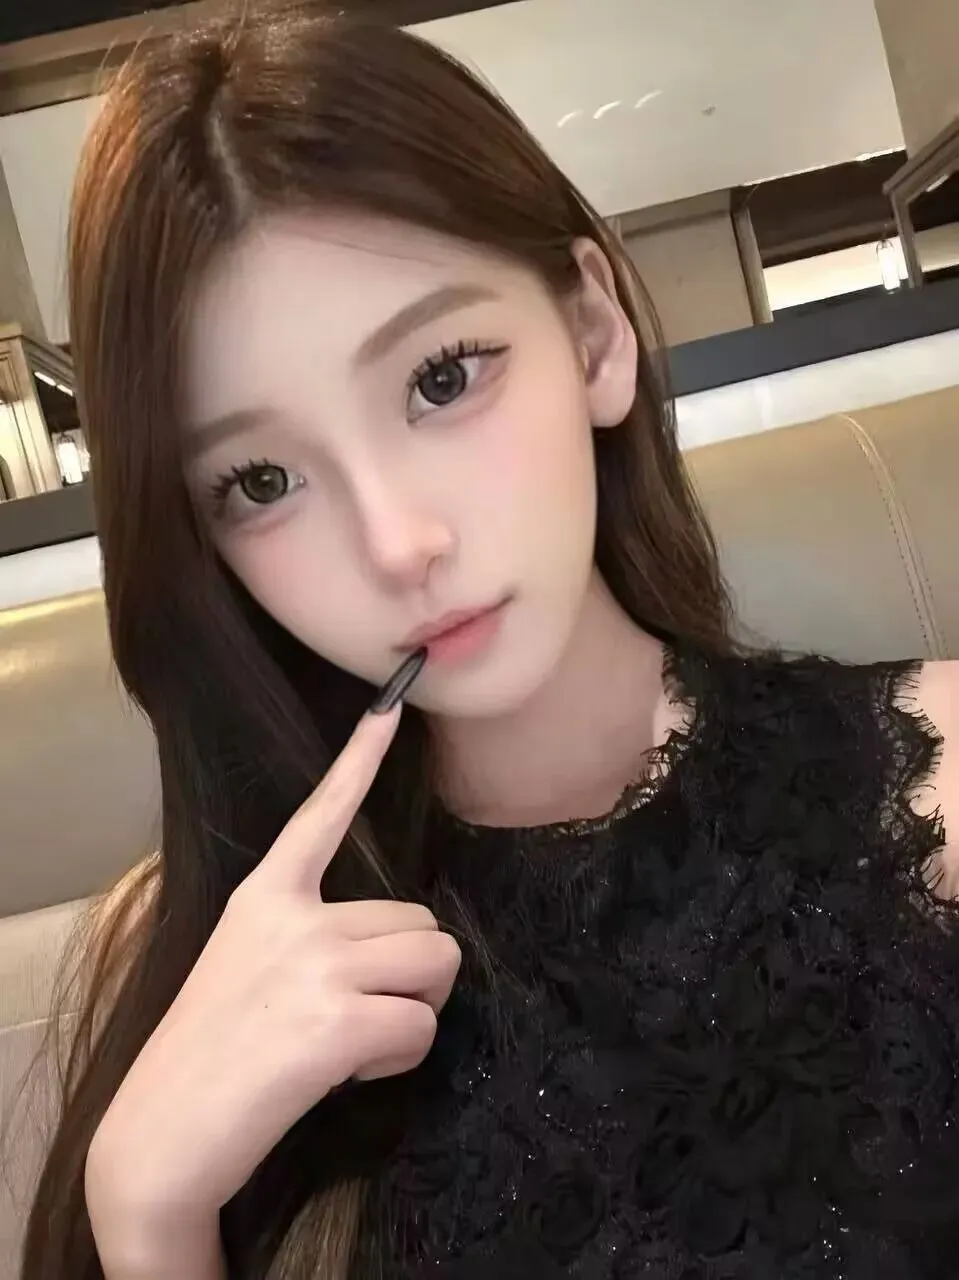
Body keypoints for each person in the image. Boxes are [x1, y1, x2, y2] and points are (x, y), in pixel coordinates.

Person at [19, 5, 959, 1279]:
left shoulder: (933, 784)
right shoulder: (194, 948)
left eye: (441, 377)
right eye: (260, 481)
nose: (396, 542)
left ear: (592, 333)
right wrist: (146, 1215)